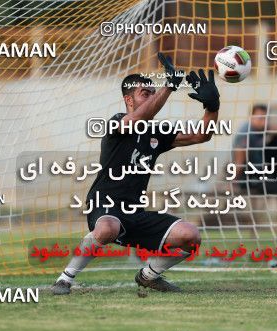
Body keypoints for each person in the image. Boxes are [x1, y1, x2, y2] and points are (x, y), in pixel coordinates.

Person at [51, 53, 220, 294]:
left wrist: (212, 107)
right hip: (105, 209)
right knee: (108, 228)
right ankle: (64, 279)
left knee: (190, 236)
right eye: (145, 93)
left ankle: (148, 275)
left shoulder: (156, 132)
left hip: (135, 213)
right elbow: (141, 117)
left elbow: (201, 134)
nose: (152, 96)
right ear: (128, 99)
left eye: (153, 92)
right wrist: (169, 86)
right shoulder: (117, 123)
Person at [233, 104, 277, 238]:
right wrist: (234, 181)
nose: (263, 121)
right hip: (249, 177)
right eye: (260, 118)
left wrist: (269, 127)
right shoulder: (245, 133)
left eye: (265, 118)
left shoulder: (260, 130)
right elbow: (239, 160)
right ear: (251, 117)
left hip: (263, 173)